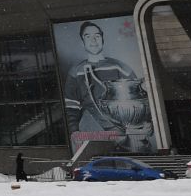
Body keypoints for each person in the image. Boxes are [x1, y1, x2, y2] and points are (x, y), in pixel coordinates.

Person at [63, 20, 152, 153]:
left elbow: (139, 100)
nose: (93, 40)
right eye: (88, 36)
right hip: (95, 132)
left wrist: (147, 122)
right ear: (83, 41)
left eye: (97, 36)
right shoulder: (75, 71)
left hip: (125, 132)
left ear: (102, 39)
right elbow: (71, 107)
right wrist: (74, 131)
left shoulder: (120, 67)